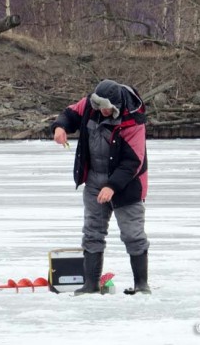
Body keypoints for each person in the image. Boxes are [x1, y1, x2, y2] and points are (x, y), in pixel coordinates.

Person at [51, 79, 151, 295]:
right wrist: (59, 127)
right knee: (92, 233)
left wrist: (112, 186)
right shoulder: (90, 104)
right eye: (97, 106)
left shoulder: (133, 119)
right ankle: (91, 285)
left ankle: (141, 284)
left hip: (127, 184)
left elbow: (134, 161)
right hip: (94, 180)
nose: (100, 111)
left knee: (133, 234)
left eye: (105, 108)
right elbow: (69, 114)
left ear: (115, 106)